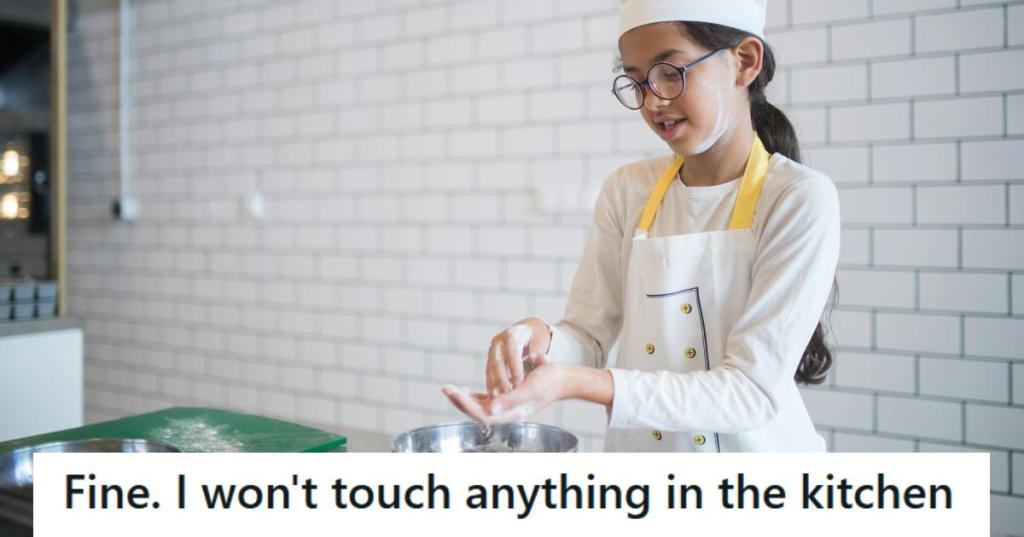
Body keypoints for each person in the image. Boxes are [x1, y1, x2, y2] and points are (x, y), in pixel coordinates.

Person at [443, 0, 840, 452]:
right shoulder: (627, 190)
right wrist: (540, 341)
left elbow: (748, 391)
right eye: (636, 80)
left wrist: (582, 383)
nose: (652, 102)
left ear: (744, 61)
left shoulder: (798, 198)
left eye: (670, 72)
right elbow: (587, 337)